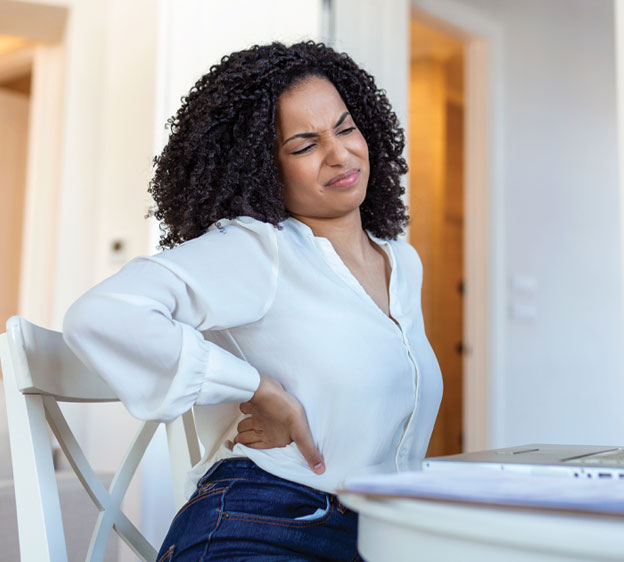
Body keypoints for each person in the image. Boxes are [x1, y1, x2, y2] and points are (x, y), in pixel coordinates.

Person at [63, 41, 443, 561]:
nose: (339, 154)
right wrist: (255, 386)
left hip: (377, 535)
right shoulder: (259, 248)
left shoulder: (404, 263)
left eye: (346, 128)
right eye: (304, 145)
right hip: (262, 519)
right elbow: (100, 316)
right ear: (264, 168)